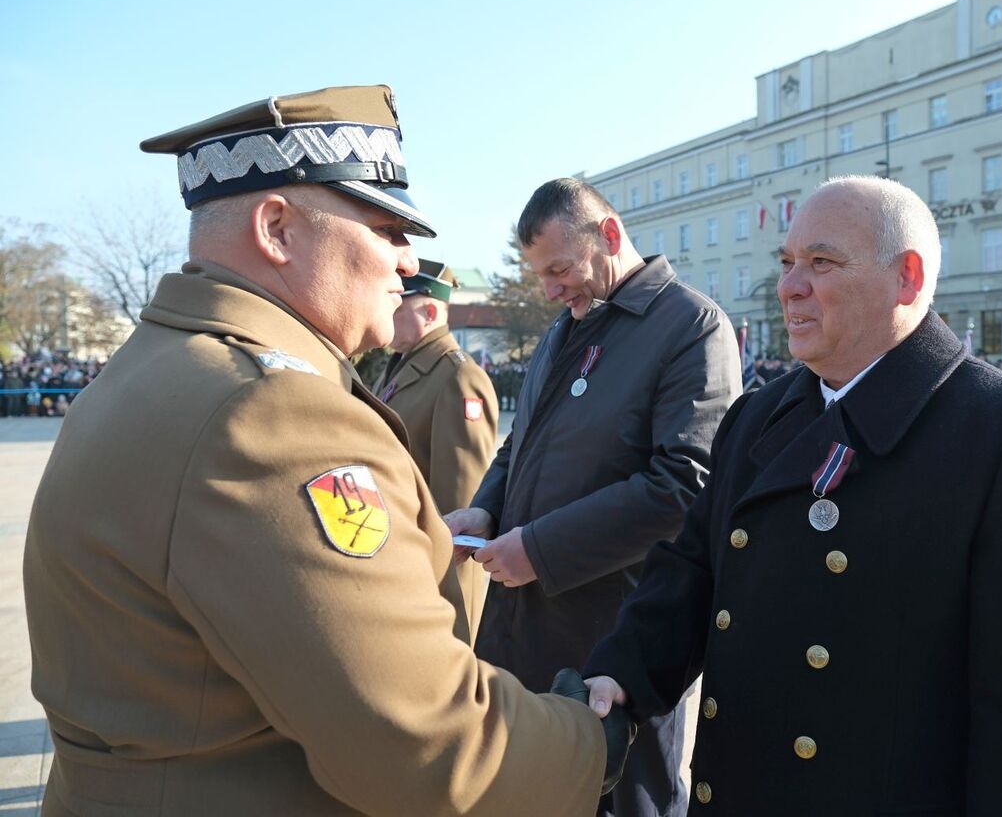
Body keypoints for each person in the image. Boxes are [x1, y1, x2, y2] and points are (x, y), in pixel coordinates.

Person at [23, 86, 630, 816]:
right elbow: (427, 745)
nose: (406, 264)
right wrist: (589, 740)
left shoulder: (152, 368)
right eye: (386, 229)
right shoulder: (272, 412)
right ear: (277, 228)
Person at [583, 176, 1002, 815]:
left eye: (821, 262)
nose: (788, 287)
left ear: (907, 278)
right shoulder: (757, 418)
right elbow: (690, 572)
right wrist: (622, 672)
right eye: (786, 263)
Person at [444, 177, 741, 817]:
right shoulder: (563, 329)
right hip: (520, 632)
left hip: (614, 640)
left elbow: (685, 484)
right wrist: (487, 509)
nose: (550, 289)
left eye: (560, 269)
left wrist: (540, 550)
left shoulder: (691, 327)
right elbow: (520, 443)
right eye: (540, 276)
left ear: (608, 235)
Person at [373, 259, 498, 636]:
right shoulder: (398, 365)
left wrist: (438, 586)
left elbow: (460, 503)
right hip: (399, 560)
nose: (388, 309)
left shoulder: (458, 377)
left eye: (399, 303)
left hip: (435, 578)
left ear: (429, 311)